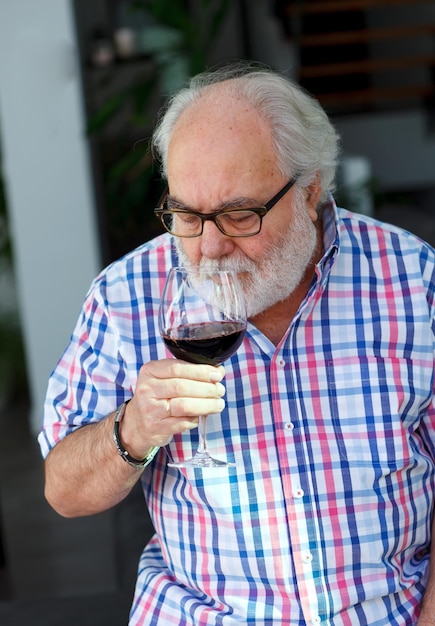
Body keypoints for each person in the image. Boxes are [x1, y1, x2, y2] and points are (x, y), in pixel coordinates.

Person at [38, 61, 435, 625]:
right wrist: (135, 428)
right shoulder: (128, 296)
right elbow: (63, 491)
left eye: (239, 214)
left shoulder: (413, 281)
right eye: (186, 215)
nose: (209, 247)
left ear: (310, 188)